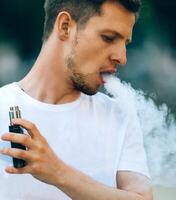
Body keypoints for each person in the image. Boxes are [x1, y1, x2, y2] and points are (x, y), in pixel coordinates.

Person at [0, 0, 153, 199]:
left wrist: (58, 173)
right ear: (65, 26)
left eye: (125, 43)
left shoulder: (120, 116)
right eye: (108, 38)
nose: (121, 57)